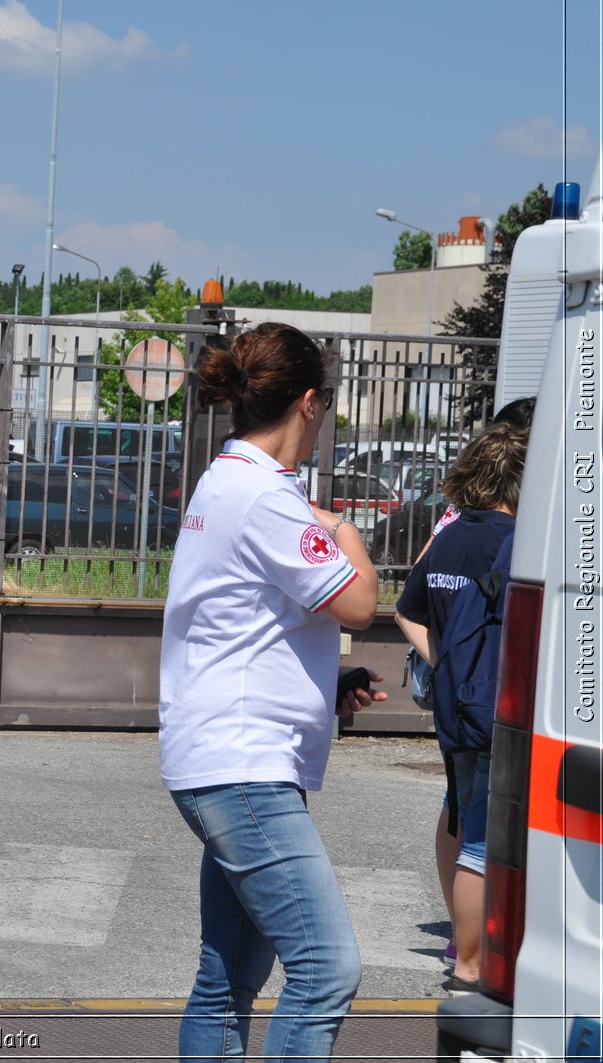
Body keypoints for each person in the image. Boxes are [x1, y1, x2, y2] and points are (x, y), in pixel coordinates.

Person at [160, 321, 385, 1062]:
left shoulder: (227, 480)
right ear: (310, 404)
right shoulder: (266, 496)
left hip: (223, 756)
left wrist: (325, 683)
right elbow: (356, 602)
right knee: (326, 968)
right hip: (243, 767)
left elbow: (247, 625)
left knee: (228, 974)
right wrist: (346, 529)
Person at [394, 421, 528, 993]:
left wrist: (445, 662)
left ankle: (463, 940)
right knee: (481, 838)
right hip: (497, 711)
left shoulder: (450, 536)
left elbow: (406, 610)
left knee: (461, 815)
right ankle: (472, 965)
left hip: (455, 710)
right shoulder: (513, 541)